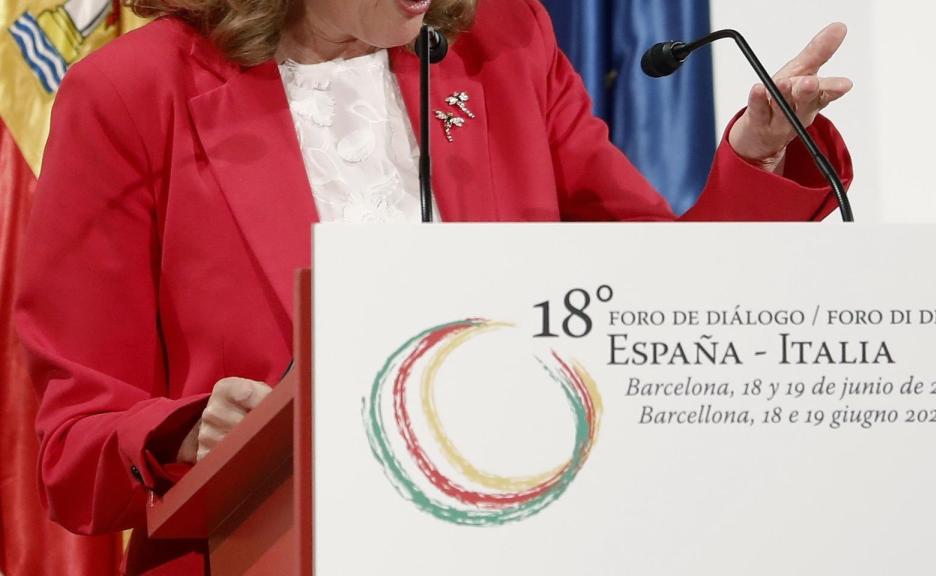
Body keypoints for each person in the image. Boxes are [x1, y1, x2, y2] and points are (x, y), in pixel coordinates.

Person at [14, 0, 853, 573]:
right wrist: (188, 432)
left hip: (523, 540)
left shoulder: (505, 45)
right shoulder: (130, 95)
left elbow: (658, 309)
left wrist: (757, 153)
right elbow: (72, 442)